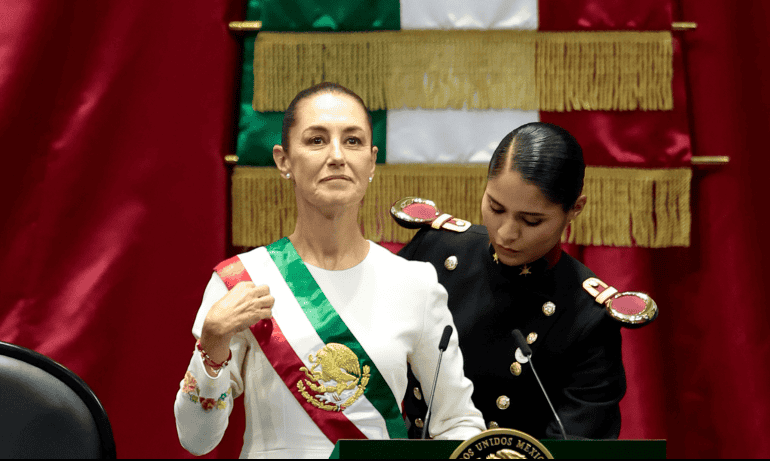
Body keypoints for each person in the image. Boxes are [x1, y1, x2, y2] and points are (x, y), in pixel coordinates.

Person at [174, 82, 485, 458]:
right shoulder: (241, 281)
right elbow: (197, 439)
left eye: (352, 141)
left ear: (371, 161)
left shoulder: (415, 284)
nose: (337, 156)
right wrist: (212, 341)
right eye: (317, 140)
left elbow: (459, 423)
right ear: (284, 160)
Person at [398, 122, 627, 440]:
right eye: (495, 207)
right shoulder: (434, 250)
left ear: (575, 209)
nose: (506, 233)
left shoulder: (588, 316)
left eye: (531, 221)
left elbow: (577, 444)